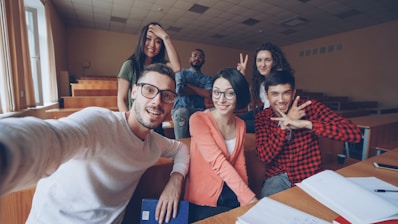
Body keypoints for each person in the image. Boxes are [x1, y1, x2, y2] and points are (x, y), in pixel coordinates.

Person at [0, 64, 189, 224]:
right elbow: (53, 138)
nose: (157, 101)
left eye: (167, 96)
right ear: (134, 92)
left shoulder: (154, 144)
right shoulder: (100, 123)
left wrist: (176, 179)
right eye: (149, 90)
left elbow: (181, 149)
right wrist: (7, 150)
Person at [255, 70, 362, 197]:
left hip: (311, 175)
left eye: (286, 93)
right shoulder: (262, 118)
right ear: (267, 96)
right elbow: (264, 156)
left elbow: (354, 134)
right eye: (274, 94)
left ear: (294, 93)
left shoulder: (311, 107)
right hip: (278, 177)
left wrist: (307, 124)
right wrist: (284, 127)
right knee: (268, 209)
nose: (281, 100)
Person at [184, 68, 258, 222]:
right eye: (217, 92)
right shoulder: (198, 120)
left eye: (229, 93)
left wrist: (245, 200)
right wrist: (249, 198)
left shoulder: (240, 124)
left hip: (230, 191)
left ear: (239, 95)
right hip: (203, 198)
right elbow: (218, 162)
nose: (221, 100)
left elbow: (240, 164)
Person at [117, 22, 181, 136]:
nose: (152, 45)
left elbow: (176, 67)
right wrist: (127, 126)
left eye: (158, 41)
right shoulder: (130, 65)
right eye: (148, 39)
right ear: (141, 40)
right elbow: (121, 99)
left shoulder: (162, 66)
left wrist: (165, 37)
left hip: (156, 122)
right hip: (136, 123)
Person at [236, 42, 295, 133]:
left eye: (267, 60)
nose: (262, 64)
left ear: (274, 62)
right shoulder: (263, 80)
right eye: (259, 60)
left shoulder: (280, 78)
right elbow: (248, 96)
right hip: (265, 112)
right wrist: (242, 75)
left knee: (237, 124)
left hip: (275, 119)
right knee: (235, 119)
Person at [172, 49, 213, 139]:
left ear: (203, 61)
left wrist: (189, 86)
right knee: (182, 112)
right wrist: (200, 91)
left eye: (200, 57)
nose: (197, 58)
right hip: (181, 109)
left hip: (200, 110)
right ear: (190, 59)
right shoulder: (181, 72)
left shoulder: (207, 78)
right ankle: (181, 143)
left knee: (216, 112)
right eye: (194, 55)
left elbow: (207, 94)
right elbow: (180, 91)